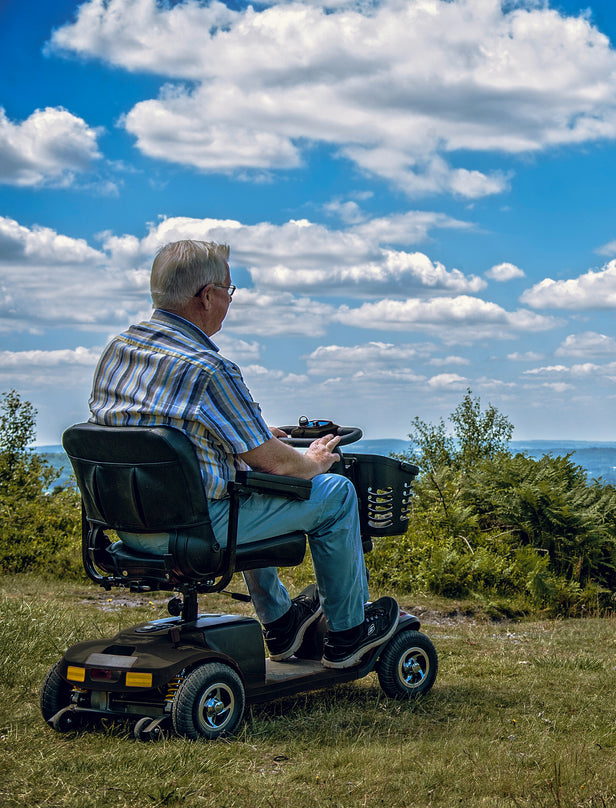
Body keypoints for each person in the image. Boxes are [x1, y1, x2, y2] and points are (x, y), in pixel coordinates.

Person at [89, 239, 397, 669]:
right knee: (334, 492)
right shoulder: (208, 368)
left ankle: (283, 624)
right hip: (195, 529)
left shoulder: (118, 352)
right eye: (228, 291)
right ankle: (347, 633)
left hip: (129, 527)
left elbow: (159, 429)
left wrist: (244, 437)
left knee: (241, 478)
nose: (229, 301)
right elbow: (279, 464)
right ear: (206, 296)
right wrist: (314, 460)